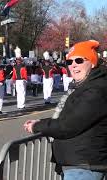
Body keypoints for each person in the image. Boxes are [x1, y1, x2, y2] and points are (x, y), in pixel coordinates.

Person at [24, 40, 107, 180]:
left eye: (79, 60)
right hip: (80, 165)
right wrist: (42, 121)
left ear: (92, 63)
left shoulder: (96, 89)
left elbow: (69, 124)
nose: (73, 65)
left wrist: (37, 126)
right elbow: (69, 117)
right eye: (69, 62)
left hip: (84, 168)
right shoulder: (84, 85)